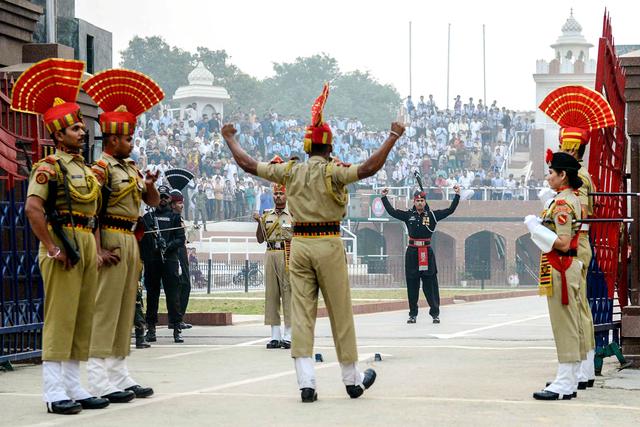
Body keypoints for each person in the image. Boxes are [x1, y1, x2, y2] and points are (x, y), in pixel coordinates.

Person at [222, 83, 404, 402]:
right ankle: (352, 379)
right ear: (329, 148)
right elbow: (370, 168)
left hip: (300, 245)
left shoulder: (291, 171)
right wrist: (392, 137)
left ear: (306, 148)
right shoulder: (335, 171)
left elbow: (249, 165)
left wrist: (230, 139)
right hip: (329, 242)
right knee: (340, 312)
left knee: (301, 314)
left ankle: (306, 383)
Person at [15, 58, 109, 414]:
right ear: (58, 134)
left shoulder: (85, 168)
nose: (82, 134)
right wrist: (52, 248)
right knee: (61, 316)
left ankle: (74, 384)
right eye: (75, 130)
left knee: (82, 315)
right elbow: (33, 210)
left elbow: (94, 210)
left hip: (83, 240)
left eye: (83, 129)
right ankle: (54, 391)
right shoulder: (48, 167)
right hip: (62, 243)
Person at [83, 68, 163, 402]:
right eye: (128, 138)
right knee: (105, 308)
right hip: (112, 238)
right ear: (113, 139)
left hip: (131, 239)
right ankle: (98, 377)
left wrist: (150, 186)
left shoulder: (129, 167)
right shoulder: (100, 169)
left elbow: (152, 202)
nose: (132, 143)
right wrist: (98, 249)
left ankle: (119, 372)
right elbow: (92, 213)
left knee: (125, 306)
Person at [539, 85, 617, 391]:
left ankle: (577, 372)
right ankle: (581, 370)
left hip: (573, 244)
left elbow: (572, 218)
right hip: (578, 242)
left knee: (573, 309)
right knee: (580, 307)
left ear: (571, 149)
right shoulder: (583, 178)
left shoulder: (578, 180)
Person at [525, 151, 584, 401]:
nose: (548, 177)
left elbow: (561, 241)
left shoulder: (562, 204)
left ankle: (564, 382)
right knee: (569, 324)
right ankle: (568, 380)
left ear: (563, 175)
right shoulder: (568, 198)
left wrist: (535, 229)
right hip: (565, 265)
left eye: (552, 173)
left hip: (561, 265)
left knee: (564, 326)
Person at [380, 185, 460, 324]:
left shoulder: (432, 216)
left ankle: (435, 313)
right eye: (417, 201)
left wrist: (457, 195)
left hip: (426, 253)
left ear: (425, 202)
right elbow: (392, 212)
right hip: (412, 253)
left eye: (422, 201)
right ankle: (413, 314)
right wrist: (384, 197)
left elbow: (450, 210)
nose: (419, 203)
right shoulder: (408, 215)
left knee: (430, 284)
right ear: (414, 202)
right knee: (412, 284)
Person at [140, 185, 186, 343]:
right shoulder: (148, 217)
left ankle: (176, 328)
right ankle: (151, 329)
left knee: (173, 296)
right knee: (152, 296)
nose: (164, 200)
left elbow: (180, 239)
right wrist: (154, 245)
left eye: (166, 197)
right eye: (161, 197)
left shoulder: (174, 217)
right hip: (153, 261)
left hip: (170, 260)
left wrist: (167, 245)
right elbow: (142, 238)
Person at [254, 180, 293, 349]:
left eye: (281, 193)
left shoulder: (293, 215)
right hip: (270, 254)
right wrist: (259, 223)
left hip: (288, 254)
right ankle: (275, 335)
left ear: (286, 195)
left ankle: (289, 335)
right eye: (275, 194)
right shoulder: (266, 215)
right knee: (271, 294)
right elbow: (260, 239)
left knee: (288, 293)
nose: (278, 196)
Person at [170, 189, 192, 329]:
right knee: (179, 285)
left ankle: (179, 318)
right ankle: (176, 320)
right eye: (179, 203)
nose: (181, 205)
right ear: (172, 204)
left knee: (185, 285)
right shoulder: (171, 218)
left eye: (182, 203)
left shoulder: (180, 218)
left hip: (183, 251)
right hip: (176, 252)